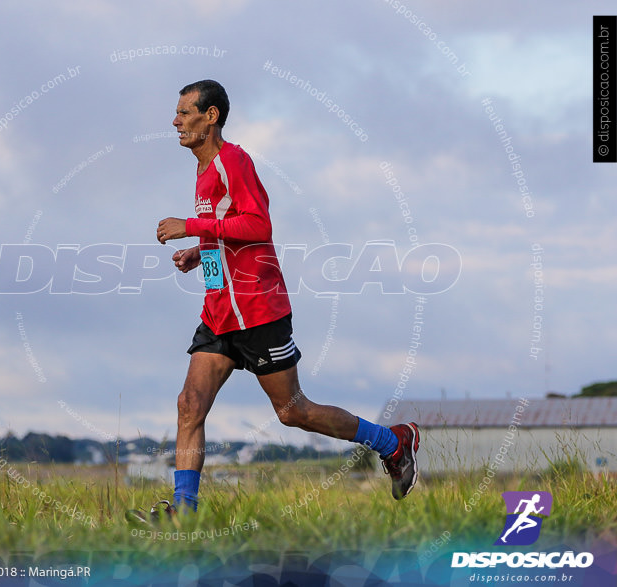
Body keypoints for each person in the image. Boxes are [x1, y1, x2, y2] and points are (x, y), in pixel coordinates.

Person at [129, 80, 419, 524]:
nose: (176, 120)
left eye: (186, 112)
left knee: (293, 412)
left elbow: (258, 225)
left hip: (258, 308)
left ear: (211, 117)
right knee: (190, 404)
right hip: (220, 310)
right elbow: (227, 228)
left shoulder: (233, 161)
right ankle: (183, 512)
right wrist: (201, 249)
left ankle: (392, 442)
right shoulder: (204, 173)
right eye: (177, 112)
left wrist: (189, 225)